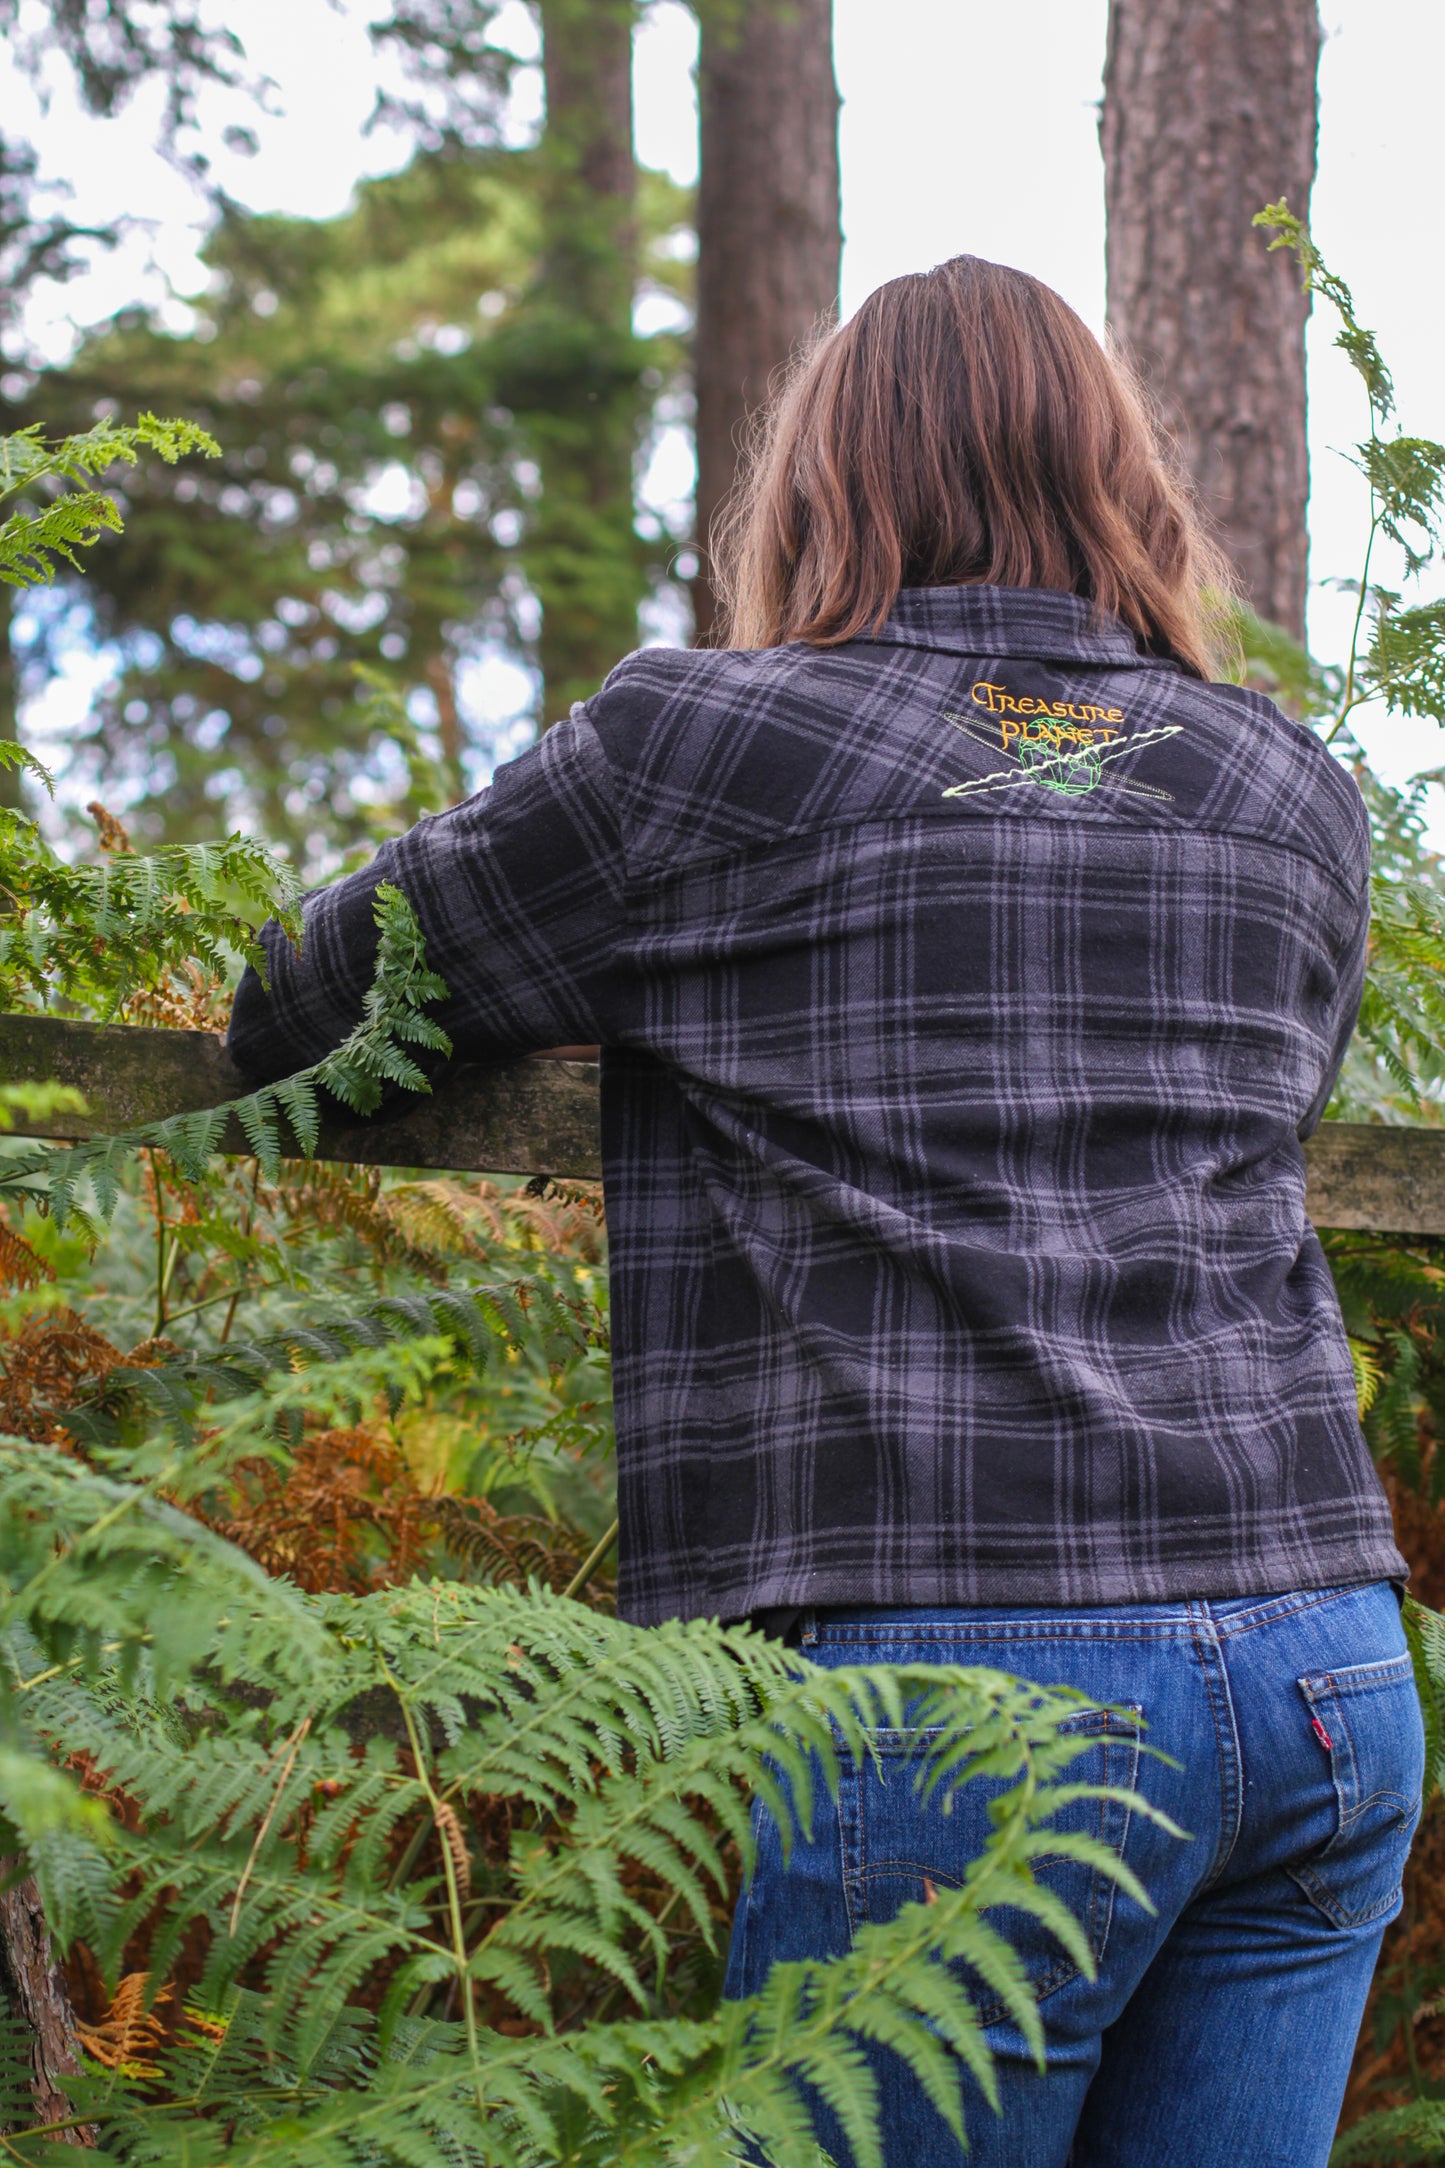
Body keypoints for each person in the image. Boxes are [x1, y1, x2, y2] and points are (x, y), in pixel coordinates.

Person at [228, 255, 1421, 2167]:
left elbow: (302, 1012)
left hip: (960, 1692)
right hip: (1320, 1667)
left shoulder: (704, 748)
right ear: (1122, 485)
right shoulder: (1288, 788)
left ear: (816, 482)